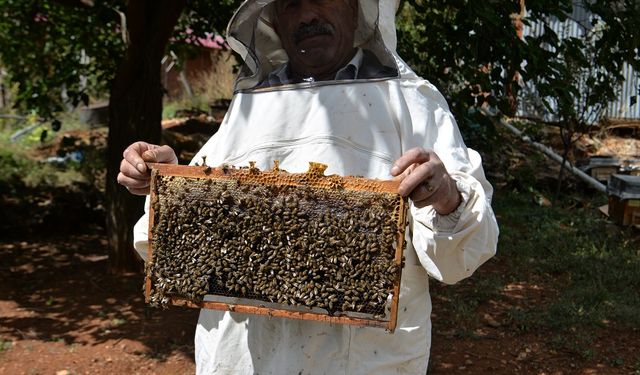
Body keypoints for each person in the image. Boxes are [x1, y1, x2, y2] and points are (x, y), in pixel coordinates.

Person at [118, 0, 499, 373]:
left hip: (364, 361)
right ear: (274, 22)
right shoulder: (249, 109)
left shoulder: (411, 102)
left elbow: (459, 257)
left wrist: (449, 198)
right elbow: (173, 245)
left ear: (355, 9)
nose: (307, 15)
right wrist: (168, 186)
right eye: (290, 5)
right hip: (244, 359)